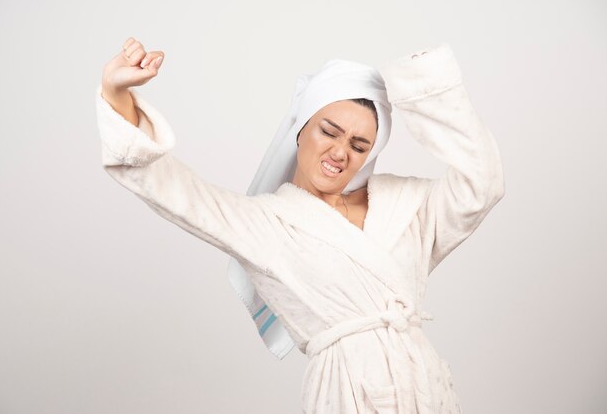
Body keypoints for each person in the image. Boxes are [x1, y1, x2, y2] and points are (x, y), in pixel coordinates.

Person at [95, 37, 505, 414]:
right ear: (301, 128)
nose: (340, 152)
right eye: (329, 131)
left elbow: (481, 182)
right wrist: (116, 93)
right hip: (346, 395)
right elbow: (175, 193)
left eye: (359, 145)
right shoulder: (267, 224)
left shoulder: (408, 205)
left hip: (426, 391)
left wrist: (423, 86)